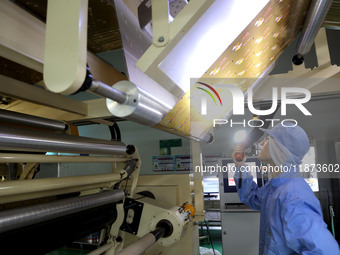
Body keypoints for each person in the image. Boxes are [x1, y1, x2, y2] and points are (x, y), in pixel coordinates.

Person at [232, 122, 340, 255]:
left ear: (279, 149)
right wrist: (240, 166)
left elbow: (326, 251)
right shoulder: (276, 187)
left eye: (267, 140)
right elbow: (252, 197)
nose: (260, 144)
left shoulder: (294, 196)